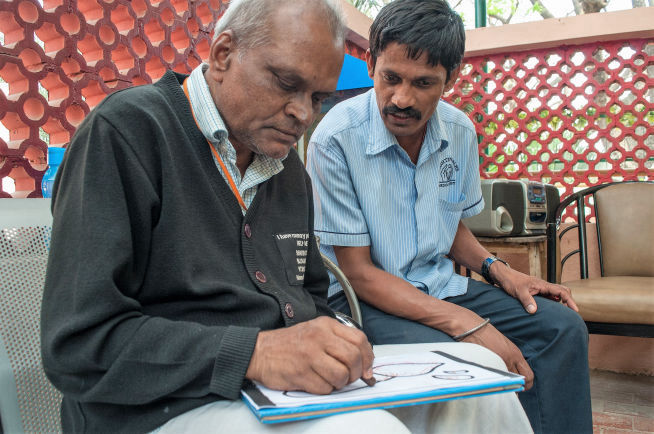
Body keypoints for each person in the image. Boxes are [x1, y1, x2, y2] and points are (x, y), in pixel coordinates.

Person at [40, 0, 533, 433]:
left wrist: (336, 338)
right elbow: (78, 344)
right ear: (224, 53)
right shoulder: (128, 133)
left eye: (318, 98)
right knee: (366, 430)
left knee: (484, 389)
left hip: (275, 396)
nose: (302, 114)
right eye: (286, 83)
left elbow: (311, 294)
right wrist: (258, 353)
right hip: (157, 410)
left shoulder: (283, 166)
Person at [306, 1, 593, 433]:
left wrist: (501, 272)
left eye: (423, 83)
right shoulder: (335, 139)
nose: (402, 98)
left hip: (441, 286)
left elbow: (448, 222)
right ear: (371, 64)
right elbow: (359, 273)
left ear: (451, 79)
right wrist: (469, 325)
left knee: (562, 329)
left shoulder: (459, 132)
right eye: (391, 78)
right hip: (361, 301)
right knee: (470, 358)